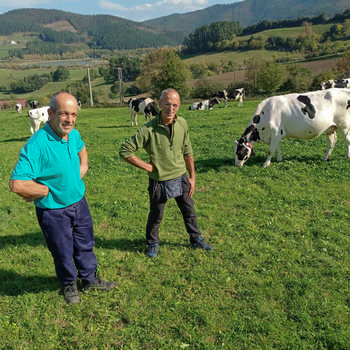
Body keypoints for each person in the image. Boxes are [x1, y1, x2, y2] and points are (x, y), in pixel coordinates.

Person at [9, 91, 116, 304]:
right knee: (63, 250)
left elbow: (82, 149)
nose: (69, 119)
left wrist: (82, 169)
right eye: (64, 114)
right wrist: (45, 191)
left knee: (85, 244)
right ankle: (69, 285)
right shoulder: (38, 143)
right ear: (50, 113)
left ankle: (89, 279)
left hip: (79, 202)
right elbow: (17, 184)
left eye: (73, 114)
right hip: (53, 211)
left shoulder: (73, 134)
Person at [119, 88, 213, 258]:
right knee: (156, 215)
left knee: (189, 211)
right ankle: (153, 243)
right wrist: (148, 167)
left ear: (179, 106)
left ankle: (196, 238)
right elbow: (125, 150)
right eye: (167, 104)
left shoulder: (182, 123)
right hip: (159, 181)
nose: (171, 109)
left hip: (181, 176)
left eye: (175, 105)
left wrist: (192, 176)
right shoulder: (148, 129)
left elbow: (187, 150)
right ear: (160, 104)